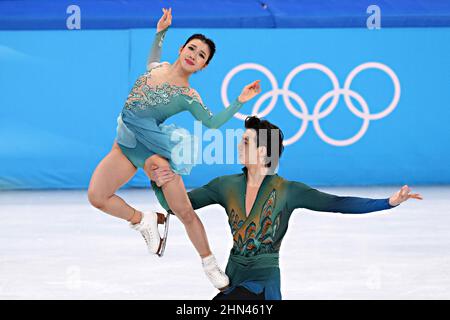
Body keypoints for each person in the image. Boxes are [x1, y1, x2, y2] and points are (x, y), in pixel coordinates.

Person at [150, 116, 423, 300]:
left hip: (262, 283)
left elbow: (338, 204)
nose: (238, 144)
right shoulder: (225, 185)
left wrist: (388, 202)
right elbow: (179, 208)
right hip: (231, 276)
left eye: (246, 141)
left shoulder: (288, 191)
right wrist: (159, 184)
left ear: (262, 151)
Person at [87, 7, 261, 290]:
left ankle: (209, 263)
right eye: (192, 48)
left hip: (154, 151)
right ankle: (144, 220)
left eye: (201, 55)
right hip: (126, 144)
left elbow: (213, 122)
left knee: (185, 212)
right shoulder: (157, 68)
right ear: (181, 49)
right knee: (97, 196)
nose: (194, 55)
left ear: (203, 66)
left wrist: (240, 100)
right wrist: (161, 31)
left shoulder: (188, 96)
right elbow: (153, 57)